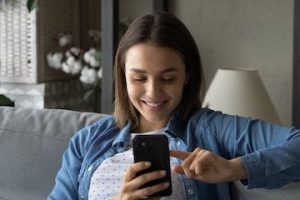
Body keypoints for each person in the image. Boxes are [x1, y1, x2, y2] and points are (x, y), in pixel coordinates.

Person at [48, 12, 300, 200]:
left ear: (187, 74)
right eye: (138, 78)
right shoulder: (86, 142)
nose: (153, 92)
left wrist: (235, 168)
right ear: (122, 75)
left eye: (168, 78)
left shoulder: (211, 129)